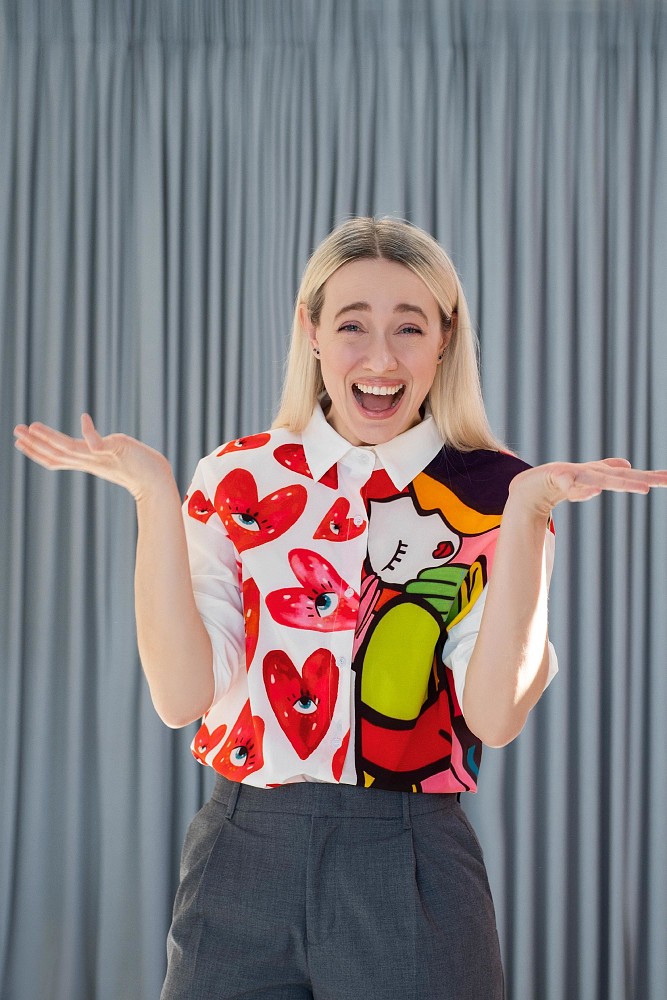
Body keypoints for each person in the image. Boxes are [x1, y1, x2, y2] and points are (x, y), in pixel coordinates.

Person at [13, 217, 667, 1000]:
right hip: (240, 854)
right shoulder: (235, 476)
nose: (380, 359)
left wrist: (526, 517)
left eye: (409, 327)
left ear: (445, 340)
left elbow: (493, 717)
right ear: (312, 331)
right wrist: (155, 496)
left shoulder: (498, 494)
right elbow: (182, 697)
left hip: (411, 857)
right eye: (353, 324)